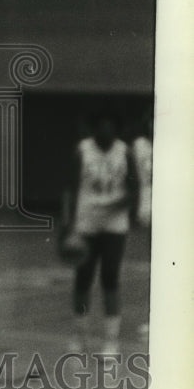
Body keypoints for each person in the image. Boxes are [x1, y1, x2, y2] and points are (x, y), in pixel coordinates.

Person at [60, 107, 139, 355]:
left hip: (114, 224)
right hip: (86, 224)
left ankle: (110, 342)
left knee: (110, 278)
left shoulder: (124, 151)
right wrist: (66, 223)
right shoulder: (82, 150)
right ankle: (79, 336)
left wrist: (120, 205)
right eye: (101, 125)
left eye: (110, 125)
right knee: (82, 279)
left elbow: (135, 190)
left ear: (116, 129)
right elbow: (70, 188)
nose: (106, 130)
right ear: (94, 128)